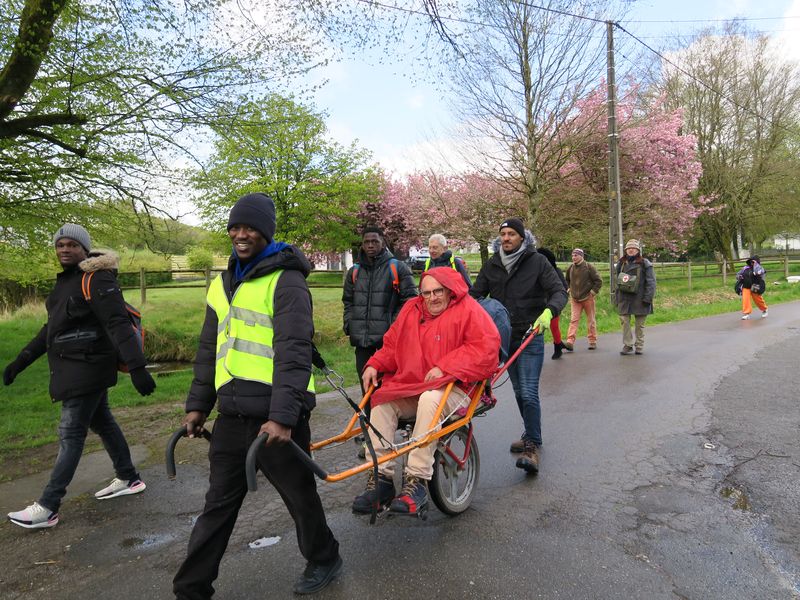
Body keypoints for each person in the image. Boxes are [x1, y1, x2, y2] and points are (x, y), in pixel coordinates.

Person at [173, 193, 341, 598]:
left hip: (276, 415)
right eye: (235, 227)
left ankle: (324, 557)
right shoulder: (222, 283)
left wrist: (283, 416)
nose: (240, 234)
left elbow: (294, 351)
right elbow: (209, 349)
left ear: (266, 231)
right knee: (218, 505)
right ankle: (191, 588)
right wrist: (198, 406)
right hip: (231, 414)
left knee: (299, 496)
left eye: (249, 227)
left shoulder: (287, 280)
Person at [4, 224, 155, 529]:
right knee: (102, 421)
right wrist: (21, 361)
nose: (65, 250)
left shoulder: (96, 278)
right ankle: (128, 477)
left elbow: (117, 324)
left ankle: (48, 506)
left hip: (87, 367)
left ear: (85, 249)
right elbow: (52, 330)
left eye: (72, 245)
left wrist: (137, 367)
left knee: (70, 434)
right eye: (60, 245)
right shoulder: (65, 284)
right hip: (72, 367)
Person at [351, 267, 499, 516]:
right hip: (414, 385)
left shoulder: (469, 310)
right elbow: (391, 345)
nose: (432, 298)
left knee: (430, 399)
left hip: (456, 388)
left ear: (450, 291)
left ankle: (416, 481)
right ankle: (381, 479)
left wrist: (445, 366)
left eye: (438, 291)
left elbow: (485, 349)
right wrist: (375, 363)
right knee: (382, 401)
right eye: (426, 293)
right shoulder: (411, 309)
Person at [470, 218, 567, 474]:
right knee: (517, 390)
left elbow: (559, 291)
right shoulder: (492, 264)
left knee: (529, 390)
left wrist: (549, 312)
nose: (506, 238)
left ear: (522, 238)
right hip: (504, 337)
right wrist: (480, 313)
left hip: (530, 333)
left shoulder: (537, 262)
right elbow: (475, 295)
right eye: (503, 234)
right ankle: (530, 433)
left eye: (511, 233)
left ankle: (532, 446)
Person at [343, 227, 416, 397]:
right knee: (367, 388)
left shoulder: (397, 268)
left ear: (382, 242)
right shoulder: (354, 271)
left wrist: (394, 326)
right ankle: (369, 423)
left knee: (389, 387)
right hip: (362, 341)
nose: (370, 245)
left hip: (388, 341)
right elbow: (348, 301)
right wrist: (349, 324)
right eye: (366, 242)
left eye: (374, 241)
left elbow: (410, 300)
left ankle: (391, 421)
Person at [615, 239, 657, 355]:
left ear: (638, 250)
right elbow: (617, 282)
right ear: (625, 250)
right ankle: (627, 345)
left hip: (640, 298)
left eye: (633, 248)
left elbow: (651, 282)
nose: (631, 250)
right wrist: (617, 298)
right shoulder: (621, 263)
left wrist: (648, 298)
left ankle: (639, 345)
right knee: (624, 322)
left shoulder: (645, 263)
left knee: (639, 325)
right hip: (624, 298)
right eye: (628, 248)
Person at [564, 248, 603, 352]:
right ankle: (570, 342)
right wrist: (568, 288)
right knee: (573, 320)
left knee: (591, 320)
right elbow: (566, 280)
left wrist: (593, 292)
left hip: (587, 298)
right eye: (572, 256)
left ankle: (592, 341)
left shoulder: (589, 267)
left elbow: (598, 281)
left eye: (576, 255)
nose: (574, 257)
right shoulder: (571, 268)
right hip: (575, 299)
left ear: (581, 256)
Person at [536, 248, 569, 360]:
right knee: (538, 329)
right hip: (538, 304)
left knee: (554, 327)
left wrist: (555, 299)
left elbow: (564, 287)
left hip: (552, 304)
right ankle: (556, 345)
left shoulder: (556, 271)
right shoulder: (535, 271)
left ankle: (558, 347)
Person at [737, 256, 768, 320]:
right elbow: (738, 274)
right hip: (746, 286)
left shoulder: (760, 268)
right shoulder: (745, 268)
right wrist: (739, 277)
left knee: (758, 299)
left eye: (753, 261)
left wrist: (756, 265)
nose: (752, 263)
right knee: (745, 299)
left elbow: (758, 272)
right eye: (751, 261)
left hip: (755, 286)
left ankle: (764, 309)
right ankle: (746, 313)